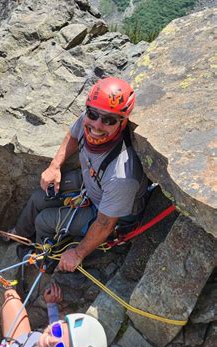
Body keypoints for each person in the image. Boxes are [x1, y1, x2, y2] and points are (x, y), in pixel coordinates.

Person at [12, 77, 149, 271]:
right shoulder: (88, 121)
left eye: (109, 120)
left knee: (44, 221)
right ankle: (18, 235)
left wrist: (77, 254)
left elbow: (105, 224)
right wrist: (54, 166)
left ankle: (44, 261)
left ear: (123, 122)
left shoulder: (121, 175)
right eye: (93, 114)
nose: (97, 126)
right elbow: (74, 135)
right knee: (38, 197)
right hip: (92, 184)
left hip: (107, 213)